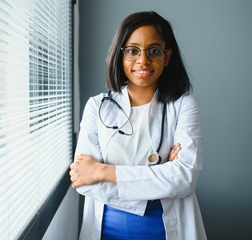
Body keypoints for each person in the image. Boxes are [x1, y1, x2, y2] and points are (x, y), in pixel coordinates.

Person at [69, 11, 206, 240]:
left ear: (167, 56)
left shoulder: (183, 105)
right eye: (133, 51)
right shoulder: (97, 106)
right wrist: (160, 176)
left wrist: (103, 171)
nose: (143, 60)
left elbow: (184, 179)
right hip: (105, 232)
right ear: (120, 55)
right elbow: (83, 181)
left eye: (153, 51)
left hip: (165, 230)